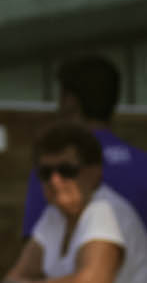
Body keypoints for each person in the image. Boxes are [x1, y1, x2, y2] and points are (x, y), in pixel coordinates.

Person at [2, 122, 147, 283]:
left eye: (67, 170)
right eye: (45, 172)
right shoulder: (54, 216)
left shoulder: (105, 210)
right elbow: (12, 280)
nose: (55, 180)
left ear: (94, 172)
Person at [22, 54, 147, 235]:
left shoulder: (52, 170)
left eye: (61, 97)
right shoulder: (143, 164)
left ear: (70, 101)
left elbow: (35, 240)